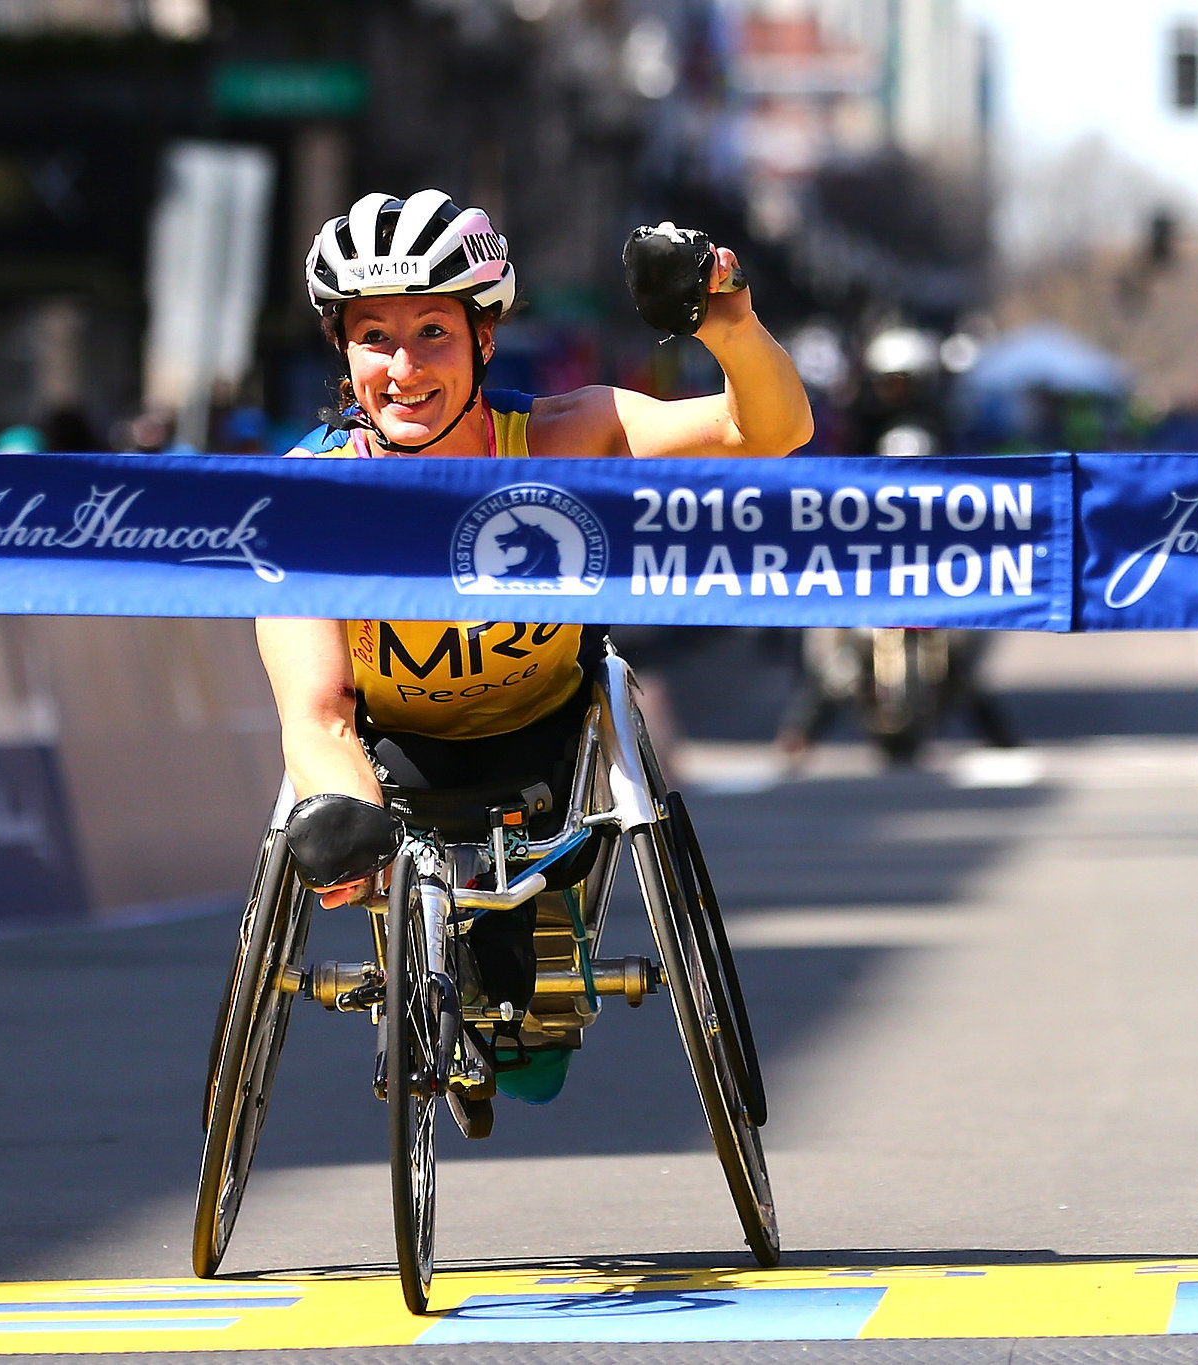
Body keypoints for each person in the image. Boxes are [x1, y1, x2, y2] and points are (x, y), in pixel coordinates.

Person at [259, 190, 812, 1110]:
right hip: (388, 750)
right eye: (374, 338)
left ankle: (523, 989)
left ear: (484, 338)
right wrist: (348, 824)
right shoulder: (307, 490)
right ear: (342, 348)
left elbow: (771, 431)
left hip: (550, 742)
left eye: (433, 332)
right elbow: (313, 712)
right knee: (361, 844)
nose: (403, 367)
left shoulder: (569, 432)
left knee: (532, 1016)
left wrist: (728, 320)